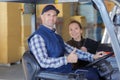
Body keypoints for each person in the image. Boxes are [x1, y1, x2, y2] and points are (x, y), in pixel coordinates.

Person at [28, 5, 105, 80]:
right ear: (42, 17)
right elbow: (43, 61)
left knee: (94, 72)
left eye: (54, 15)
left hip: (64, 71)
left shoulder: (56, 37)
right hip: (55, 75)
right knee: (92, 76)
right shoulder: (37, 37)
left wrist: (92, 57)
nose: (52, 18)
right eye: (48, 15)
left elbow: (72, 50)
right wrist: (67, 59)